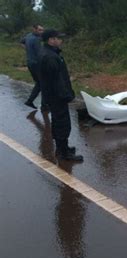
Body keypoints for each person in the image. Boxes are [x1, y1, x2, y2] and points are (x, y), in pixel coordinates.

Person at [39, 29, 83, 161]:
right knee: (62, 124)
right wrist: (67, 96)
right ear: (51, 40)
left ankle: (62, 148)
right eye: (58, 38)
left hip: (54, 96)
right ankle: (64, 154)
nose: (60, 40)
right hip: (57, 97)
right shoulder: (50, 57)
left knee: (59, 122)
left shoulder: (50, 53)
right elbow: (57, 81)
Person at [22, 24, 49, 111]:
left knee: (39, 83)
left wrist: (28, 50)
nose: (42, 32)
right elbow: (40, 54)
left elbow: (21, 42)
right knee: (44, 83)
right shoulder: (36, 39)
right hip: (37, 64)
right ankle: (44, 106)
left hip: (30, 63)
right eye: (40, 30)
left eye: (42, 30)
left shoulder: (28, 36)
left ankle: (30, 101)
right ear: (34, 29)